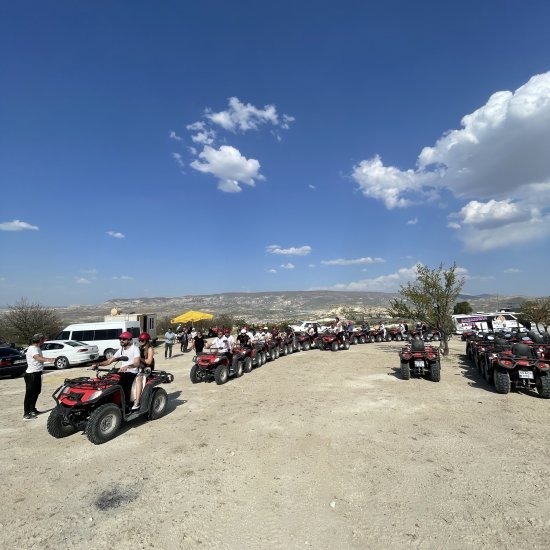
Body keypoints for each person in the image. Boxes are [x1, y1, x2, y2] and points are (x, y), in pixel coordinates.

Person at [95, 331, 142, 409]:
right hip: (122, 371)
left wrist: (127, 366)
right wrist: (97, 364)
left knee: (122, 385)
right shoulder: (120, 350)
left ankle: (125, 405)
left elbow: (137, 363)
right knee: (107, 381)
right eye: (120, 339)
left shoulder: (135, 349)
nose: (121, 340)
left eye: (124, 339)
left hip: (132, 372)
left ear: (129, 340)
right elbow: (109, 361)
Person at [23, 333, 56, 420]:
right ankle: (26, 414)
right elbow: (38, 358)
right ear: (40, 340)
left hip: (37, 373)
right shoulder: (33, 349)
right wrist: (49, 360)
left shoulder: (37, 348)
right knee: (29, 394)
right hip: (31, 374)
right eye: (43, 340)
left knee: (36, 392)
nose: (44, 341)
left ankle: (32, 409)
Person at [135, 332, 155, 410]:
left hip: (147, 368)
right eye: (139, 340)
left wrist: (140, 359)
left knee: (138, 379)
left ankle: (137, 401)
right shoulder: (139, 348)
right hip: (139, 367)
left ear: (146, 341)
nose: (140, 342)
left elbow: (149, 362)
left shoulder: (149, 349)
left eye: (142, 340)